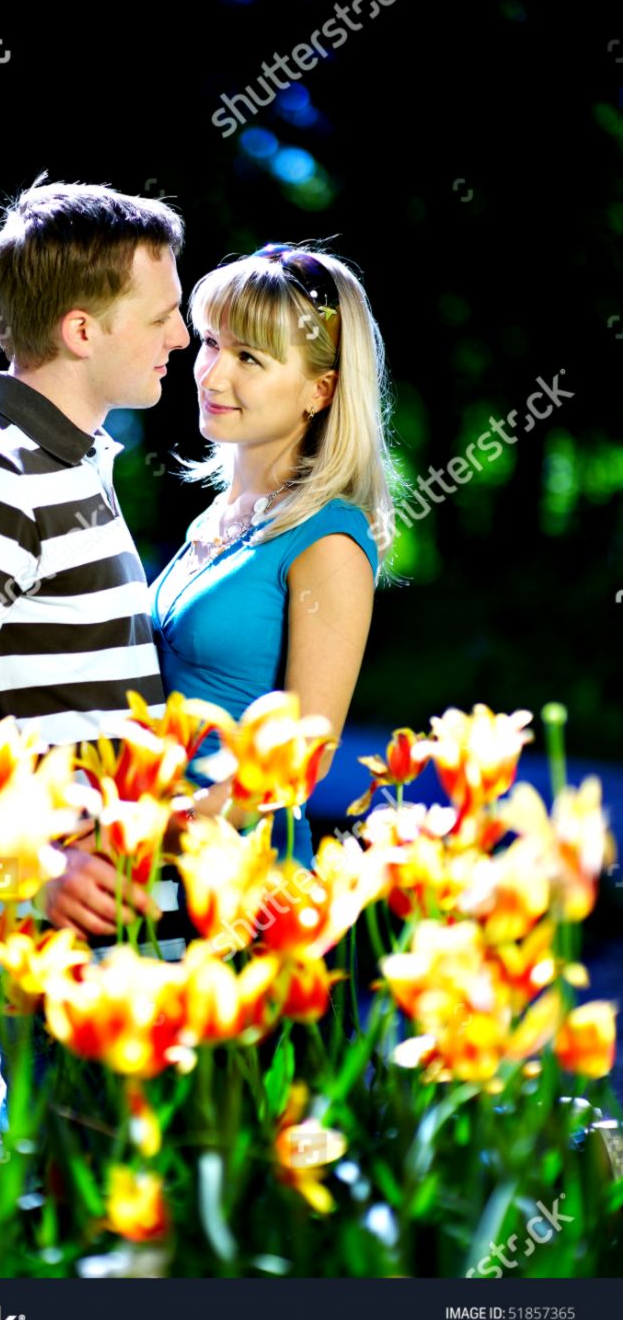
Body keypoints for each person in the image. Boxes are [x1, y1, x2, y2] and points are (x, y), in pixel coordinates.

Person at [0, 178, 195, 1091]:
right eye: (162, 316)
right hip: (45, 948)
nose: (183, 338)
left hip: (115, 948)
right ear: (82, 330)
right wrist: (39, 864)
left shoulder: (75, 461)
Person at [149, 242, 401, 868]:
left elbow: (301, 761)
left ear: (321, 389)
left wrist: (159, 835)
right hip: (156, 878)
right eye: (211, 342)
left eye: (249, 358)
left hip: (243, 884)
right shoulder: (215, 518)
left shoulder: (329, 540)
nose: (212, 375)